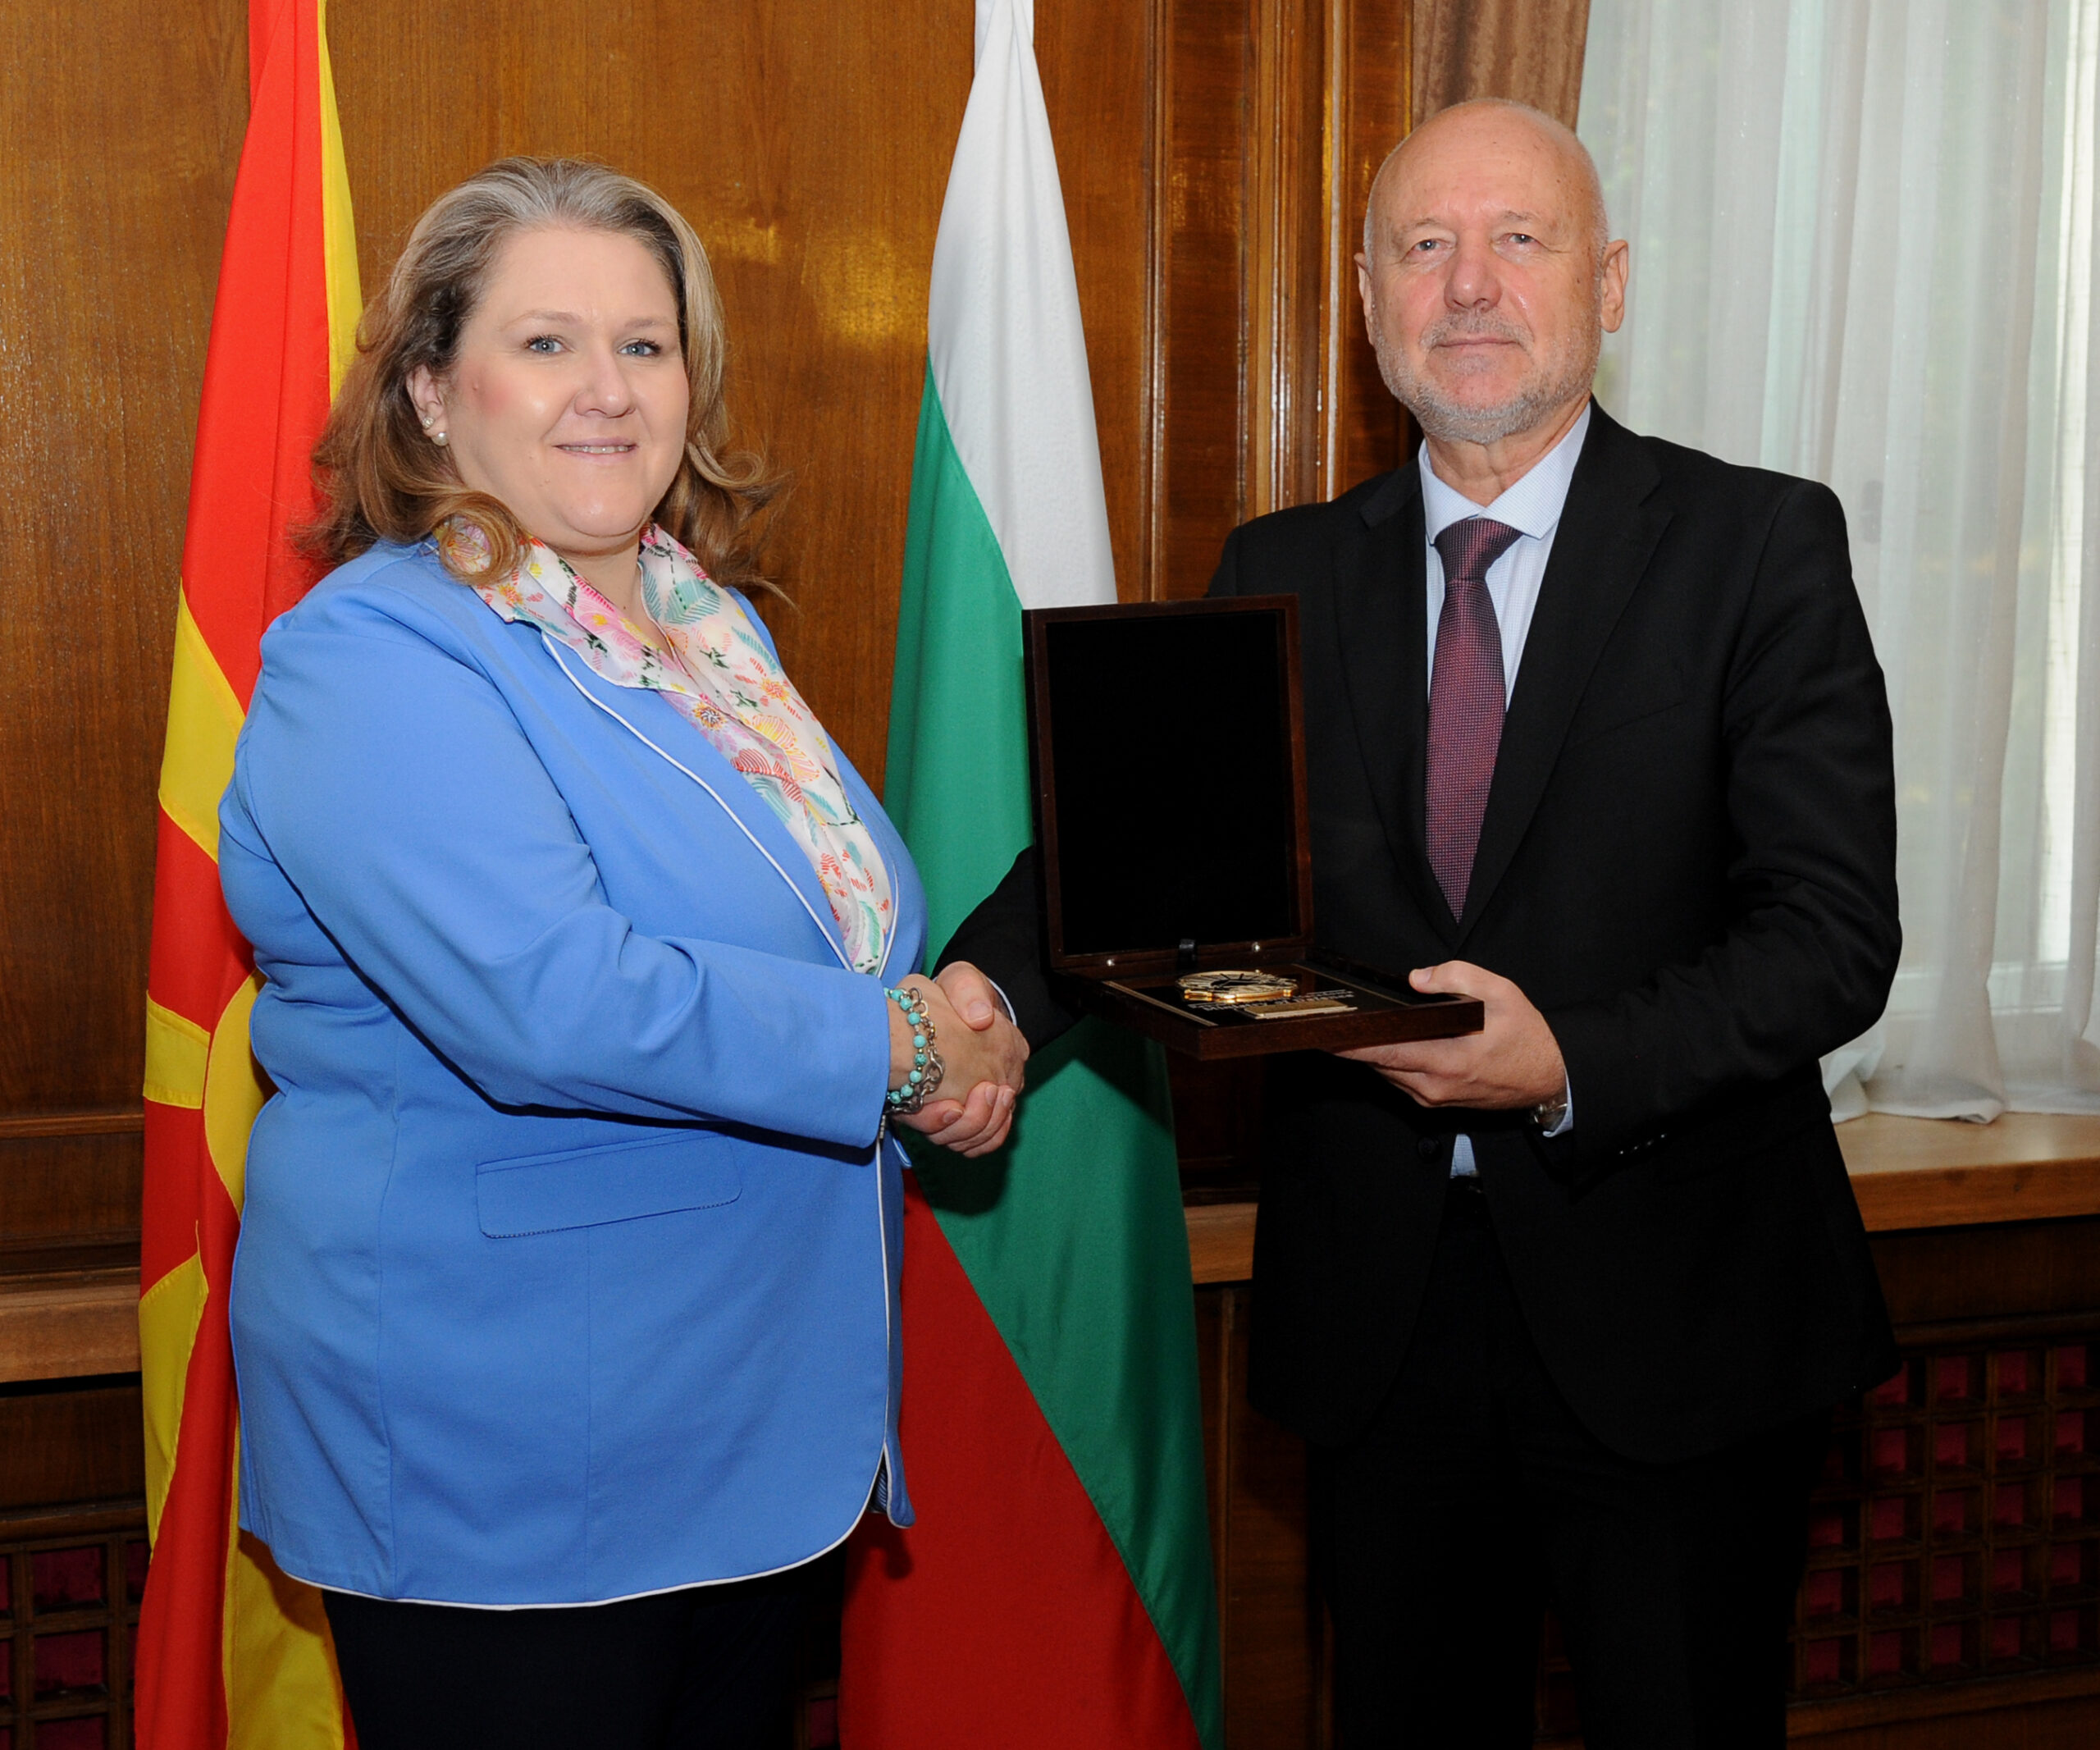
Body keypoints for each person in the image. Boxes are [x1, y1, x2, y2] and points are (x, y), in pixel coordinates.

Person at [936, 99, 1901, 1746]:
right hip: (1380, 1325)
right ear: (1368, 298)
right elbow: (1143, 864)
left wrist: (1563, 1062)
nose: (1468, 284)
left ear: (1607, 283)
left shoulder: (1756, 545)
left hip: (1677, 1319)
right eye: (1424, 246)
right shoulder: (1283, 563)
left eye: (1518, 239)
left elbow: (1828, 934)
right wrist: (981, 998)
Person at [218, 157, 1025, 1750]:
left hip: (752, 1423)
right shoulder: (373, 656)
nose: (608, 388)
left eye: (645, 345)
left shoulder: (711, 633)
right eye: (547, 343)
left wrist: (937, 1020)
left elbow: (840, 929)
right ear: (432, 392)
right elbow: (554, 1000)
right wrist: (896, 1045)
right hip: (510, 1451)